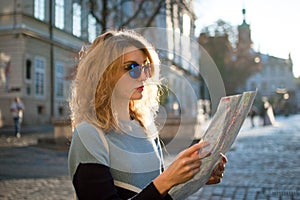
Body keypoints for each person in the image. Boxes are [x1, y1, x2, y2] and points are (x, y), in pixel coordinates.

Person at [68, 30, 227, 199]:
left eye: (146, 66)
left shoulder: (144, 127)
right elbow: (157, 188)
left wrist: (193, 178)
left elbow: (157, 195)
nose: (144, 75)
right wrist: (166, 180)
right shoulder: (89, 134)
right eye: (132, 67)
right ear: (104, 73)